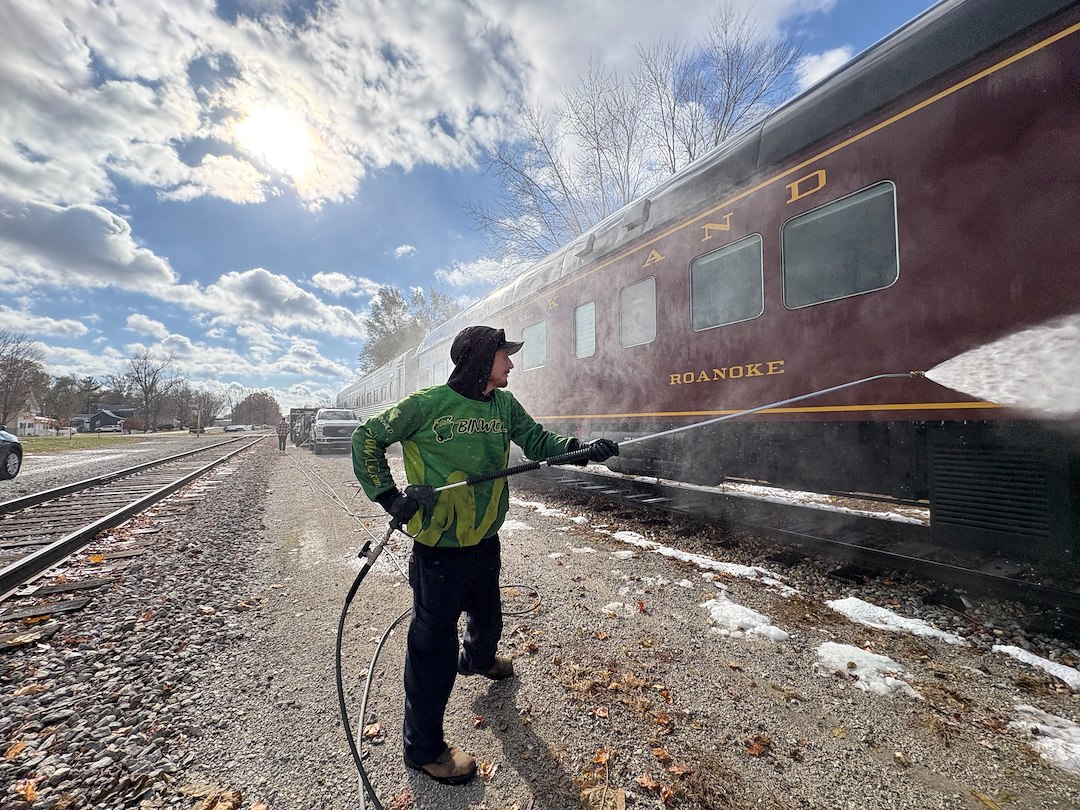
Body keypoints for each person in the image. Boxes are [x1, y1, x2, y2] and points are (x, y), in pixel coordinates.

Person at [351, 325, 618, 786]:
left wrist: (579, 450)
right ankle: (423, 748)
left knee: (488, 615)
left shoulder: (504, 405)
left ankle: (477, 659)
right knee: (433, 646)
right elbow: (366, 438)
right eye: (504, 356)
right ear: (480, 360)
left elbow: (538, 443)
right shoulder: (426, 405)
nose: (511, 363)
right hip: (438, 550)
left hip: (485, 540)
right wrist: (389, 496)